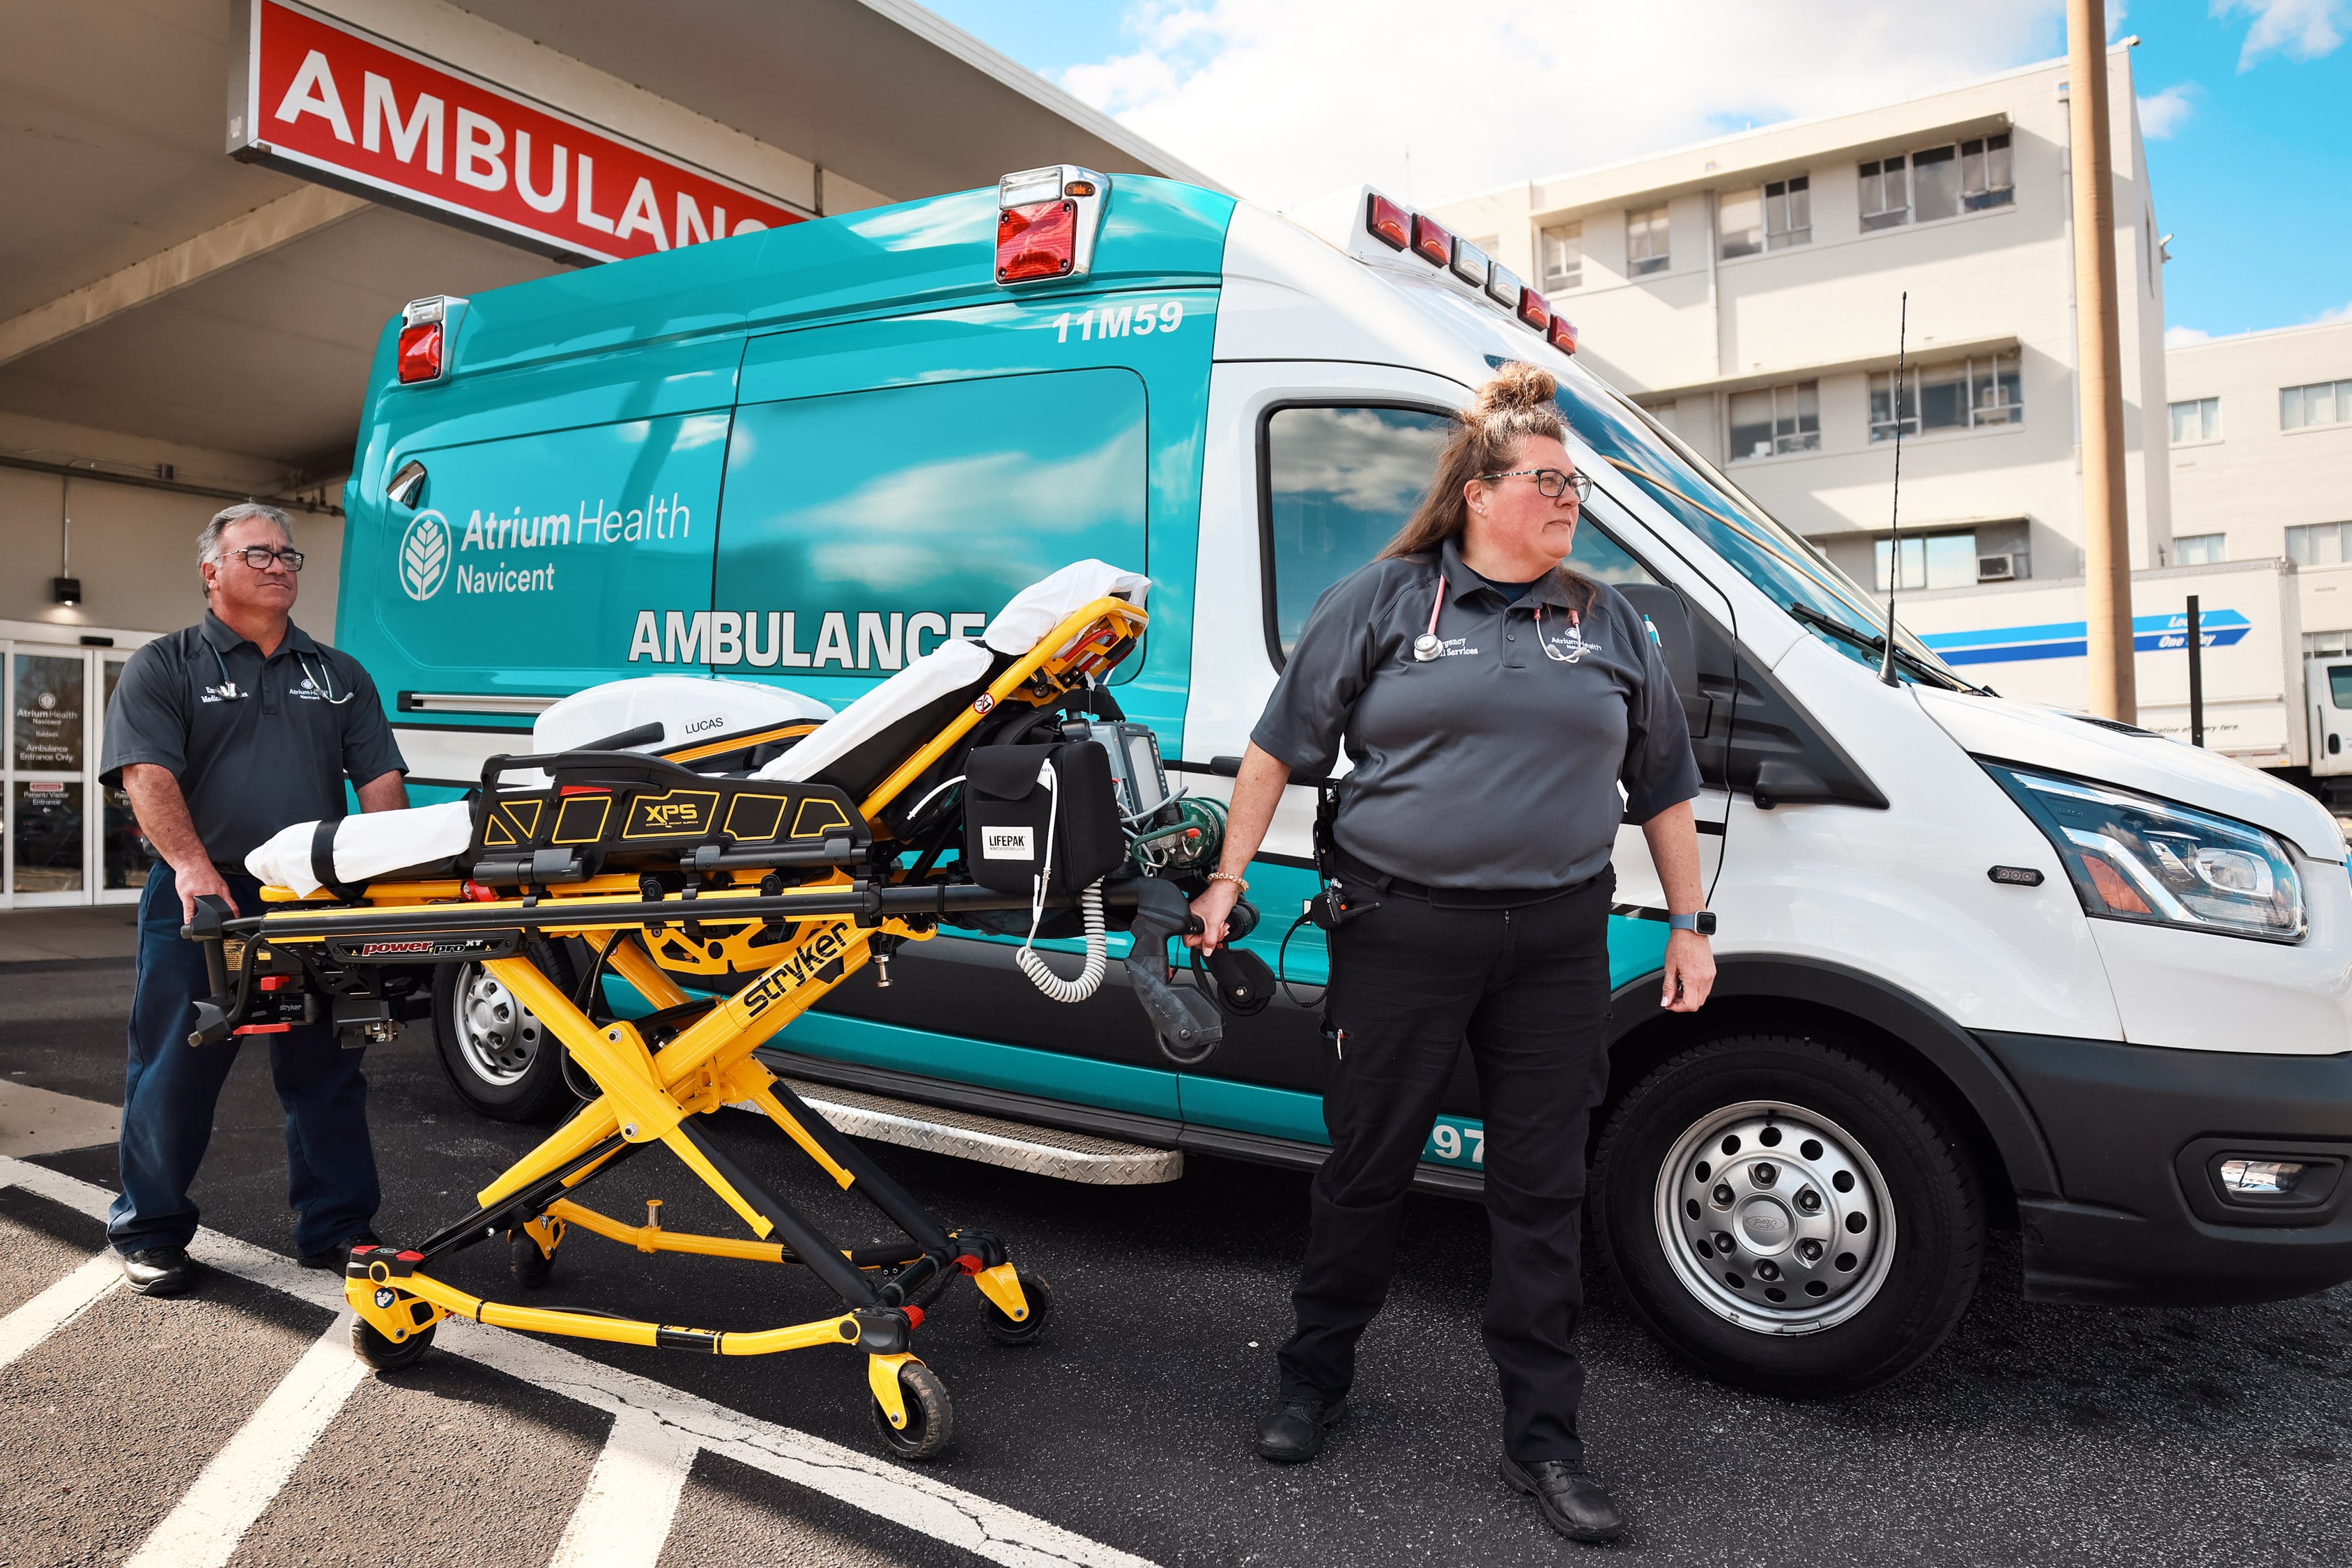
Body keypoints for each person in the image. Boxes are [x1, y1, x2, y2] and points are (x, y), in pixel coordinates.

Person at [1190, 363, 1713, 1546]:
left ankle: (1546, 1441)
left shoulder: (1606, 619)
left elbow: (1664, 786)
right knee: (1366, 1166)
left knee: (1541, 1192)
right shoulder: (1383, 600)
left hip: (1557, 945)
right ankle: (1311, 1382)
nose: (1568, 499)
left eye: (1575, 484)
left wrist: (1689, 923)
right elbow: (1277, 750)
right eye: (1547, 481)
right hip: (1400, 935)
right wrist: (1227, 877)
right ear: (1479, 492)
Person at [99, 502, 410, 1296]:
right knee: (177, 1066)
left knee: (328, 1068)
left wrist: (387, 877)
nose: (279, 566)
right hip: (208, 894)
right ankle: (150, 1229)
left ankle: (338, 1227)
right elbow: (146, 774)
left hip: (316, 895)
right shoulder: (166, 665)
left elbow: (380, 780)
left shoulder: (338, 675)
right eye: (258, 554)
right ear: (212, 572)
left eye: (287, 555)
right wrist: (191, 868)